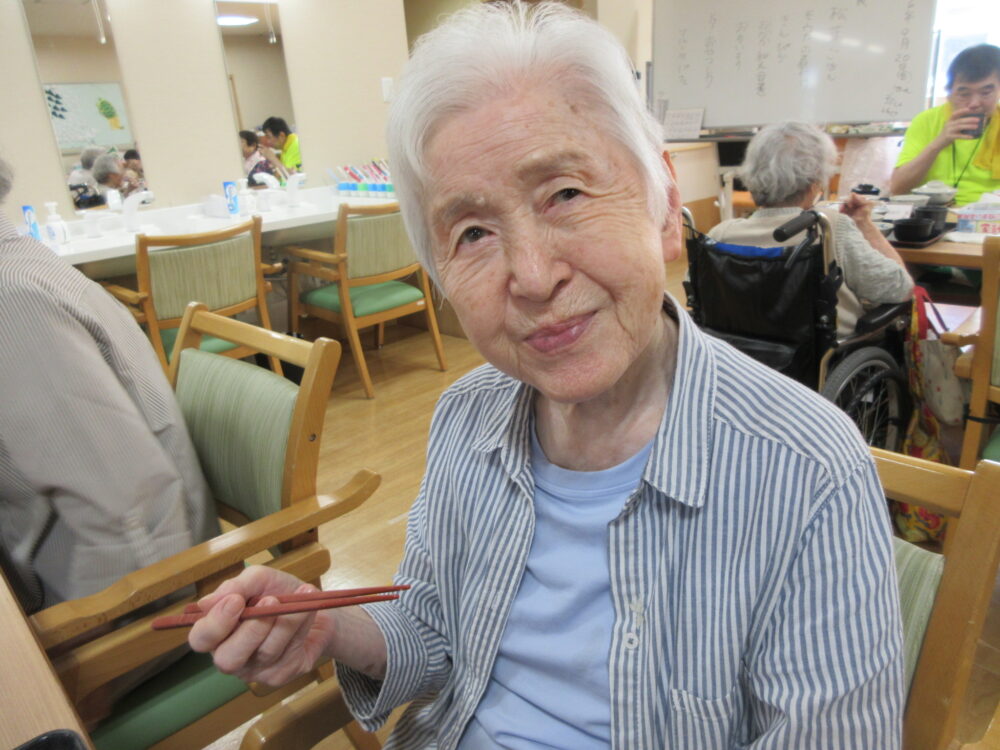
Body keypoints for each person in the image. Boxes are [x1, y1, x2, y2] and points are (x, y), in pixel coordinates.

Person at [189, 4, 903, 748]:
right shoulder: (467, 417)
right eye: (472, 233)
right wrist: (329, 623)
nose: (531, 276)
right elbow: (435, 627)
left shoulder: (807, 469)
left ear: (662, 204)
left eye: (564, 193)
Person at [0, 154, 219, 616]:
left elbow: (126, 513)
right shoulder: (23, 260)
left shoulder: (11, 298)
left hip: (135, 603)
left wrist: (97, 650)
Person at [709, 122, 914, 337]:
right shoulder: (828, 229)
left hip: (742, 358)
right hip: (823, 361)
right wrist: (865, 225)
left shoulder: (720, 236)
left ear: (751, 176)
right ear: (815, 182)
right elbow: (900, 289)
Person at [891, 43, 1000, 206]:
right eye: (964, 94)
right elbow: (897, 187)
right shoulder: (926, 121)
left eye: (985, 93)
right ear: (949, 92)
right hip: (935, 215)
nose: (974, 103)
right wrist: (938, 143)